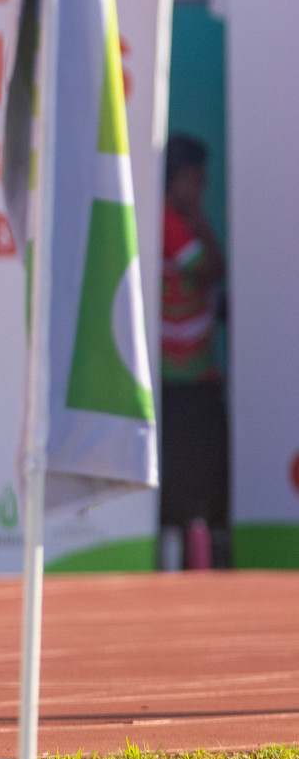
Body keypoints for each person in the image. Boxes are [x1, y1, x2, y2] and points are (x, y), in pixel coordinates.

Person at [159, 133, 230, 566]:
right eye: (195, 180)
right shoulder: (170, 223)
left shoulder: (174, 220)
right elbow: (212, 269)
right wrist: (199, 214)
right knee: (186, 474)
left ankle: (199, 552)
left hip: (197, 374)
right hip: (177, 377)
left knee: (203, 473)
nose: (201, 188)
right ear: (178, 178)